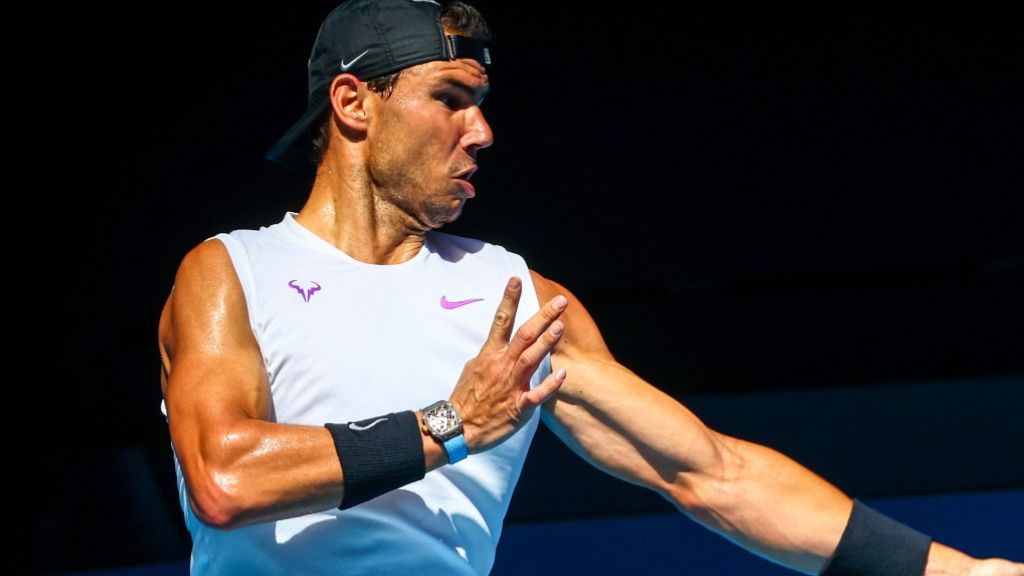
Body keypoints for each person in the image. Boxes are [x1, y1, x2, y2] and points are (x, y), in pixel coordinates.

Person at [158, 1, 1023, 574]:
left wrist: (961, 570)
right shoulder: (234, 271)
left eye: (484, 102)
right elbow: (226, 481)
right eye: (452, 97)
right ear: (353, 103)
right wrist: (453, 425)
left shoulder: (516, 300)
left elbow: (712, 475)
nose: (484, 131)